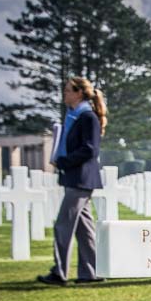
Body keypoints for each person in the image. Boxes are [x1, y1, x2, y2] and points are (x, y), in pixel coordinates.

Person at [37, 77, 107, 285]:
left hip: (81, 179)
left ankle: (59, 272)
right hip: (76, 178)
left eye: (68, 90)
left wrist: (64, 161)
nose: (64, 94)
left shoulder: (87, 118)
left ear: (79, 93)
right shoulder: (74, 117)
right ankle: (90, 272)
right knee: (84, 229)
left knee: (63, 226)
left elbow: (90, 149)